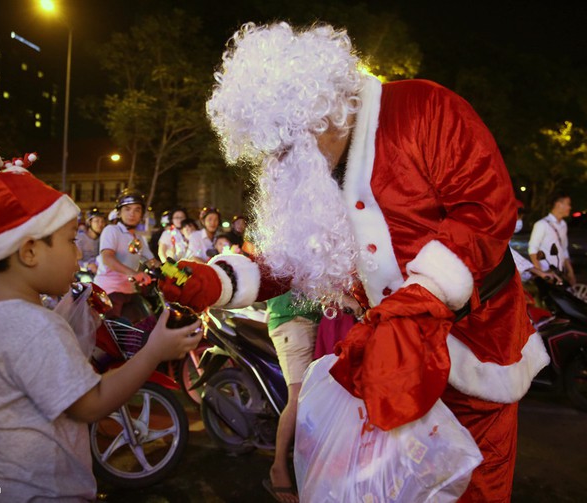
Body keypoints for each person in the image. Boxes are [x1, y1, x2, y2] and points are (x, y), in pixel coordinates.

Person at [160, 23, 550, 502]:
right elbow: (289, 260)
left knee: (475, 488)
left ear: (317, 111)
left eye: (284, 144)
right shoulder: (311, 171)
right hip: (384, 374)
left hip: (474, 356)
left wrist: (422, 297)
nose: (277, 164)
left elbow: (486, 208)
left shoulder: (424, 109)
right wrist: (216, 281)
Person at [0, 151, 201, 501]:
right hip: (36, 492)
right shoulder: (33, 324)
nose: (79, 254)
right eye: (70, 240)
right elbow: (91, 404)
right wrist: (155, 349)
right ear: (29, 252)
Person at [264, 291, 321, 502]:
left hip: (311, 320)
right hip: (293, 322)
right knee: (297, 398)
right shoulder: (276, 256)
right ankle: (278, 466)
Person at [93, 189, 160, 319]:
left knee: (148, 322)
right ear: (119, 212)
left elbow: (152, 262)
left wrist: (174, 271)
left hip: (129, 290)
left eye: (137, 210)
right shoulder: (111, 230)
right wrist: (134, 273)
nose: (132, 214)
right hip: (109, 290)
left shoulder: (139, 239)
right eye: (127, 209)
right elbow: (107, 258)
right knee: (115, 331)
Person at [528, 193, 576, 285]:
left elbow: (564, 250)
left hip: (559, 273)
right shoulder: (542, 224)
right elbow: (532, 250)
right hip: (546, 273)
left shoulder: (563, 225)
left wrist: (570, 272)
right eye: (568, 204)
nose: (570, 207)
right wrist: (541, 274)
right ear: (558, 204)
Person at [76, 208, 106, 274]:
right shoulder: (80, 238)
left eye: (102, 221)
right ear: (89, 223)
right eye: (97, 221)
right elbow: (74, 260)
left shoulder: (103, 239)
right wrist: (87, 266)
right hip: (83, 272)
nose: (100, 224)